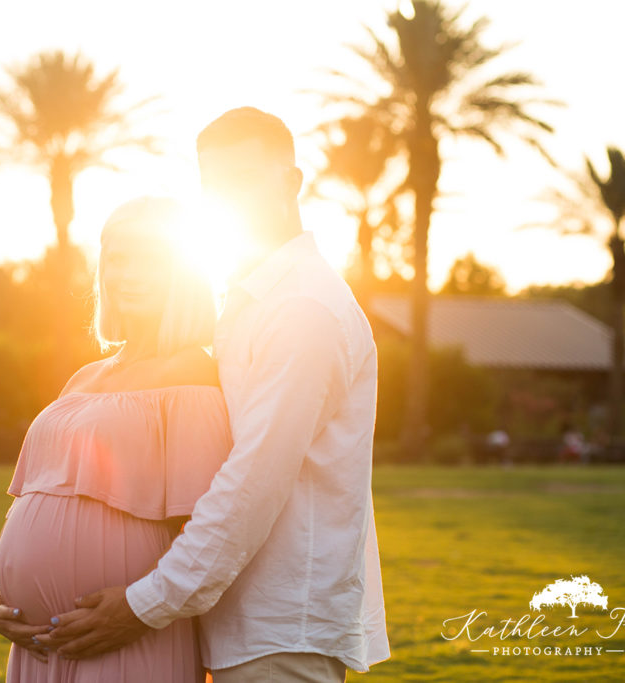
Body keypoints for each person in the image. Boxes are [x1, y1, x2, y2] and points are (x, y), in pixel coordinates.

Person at [41, 107, 391, 682]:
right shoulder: (251, 302)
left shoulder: (304, 309)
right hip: (239, 628)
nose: (229, 199)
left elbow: (254, 479)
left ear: (291, 183)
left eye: (245, 180)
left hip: (278, 635)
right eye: (215, 185)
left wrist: (144, 603)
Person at [0, 196, 232, 682]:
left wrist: (140, 608)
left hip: (126, 638)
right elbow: (32, 501)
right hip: (37, 647)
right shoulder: (84, 377)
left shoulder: (193, 372)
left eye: (150, 259)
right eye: (118, 259)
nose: (129, 275)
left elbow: (207, 528)